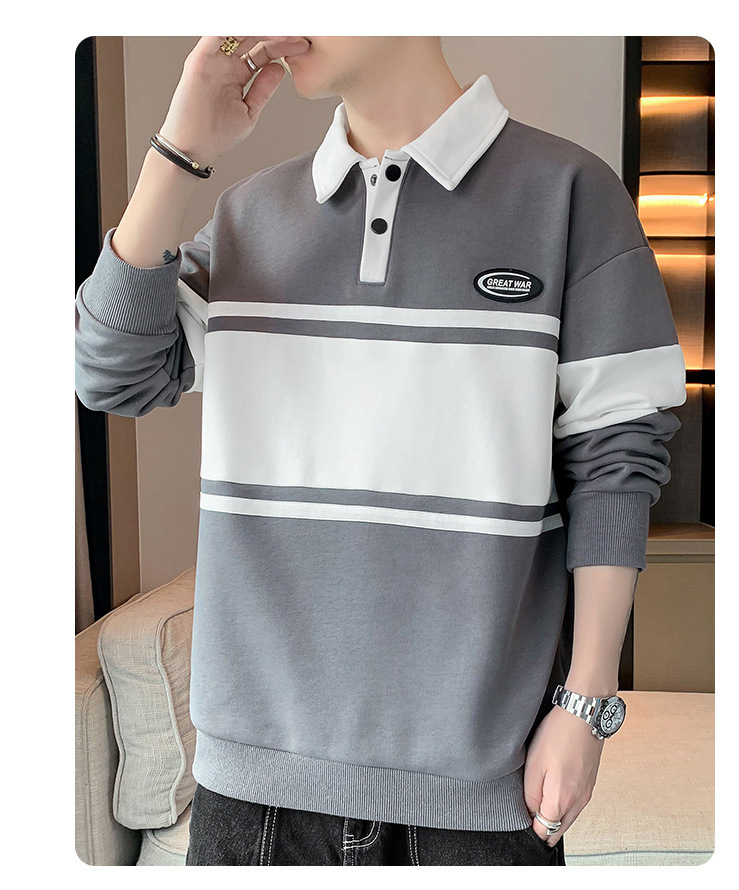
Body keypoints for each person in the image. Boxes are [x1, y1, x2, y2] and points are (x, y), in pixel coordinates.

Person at [74, 36, 687, 866]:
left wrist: (587, 702)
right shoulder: (253, 215)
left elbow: (617, 460)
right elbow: (110, 373)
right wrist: (177, 152)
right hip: (254, 799)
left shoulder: (570, 195)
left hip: (478, 796)